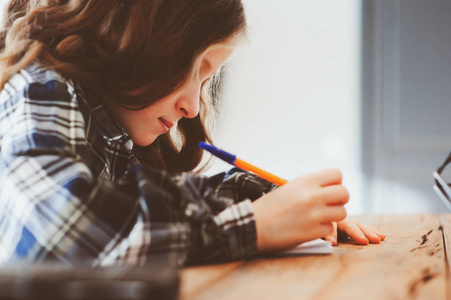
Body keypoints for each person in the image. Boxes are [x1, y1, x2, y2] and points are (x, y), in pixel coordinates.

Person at [0, 0, 384, 267]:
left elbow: (133, 207)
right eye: (196, 68)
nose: (193, 108)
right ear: (139, 38)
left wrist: (275, 199)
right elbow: (59, 227)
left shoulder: (113, 132)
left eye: (207, 80)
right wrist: (254, 225)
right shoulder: (41, 86)